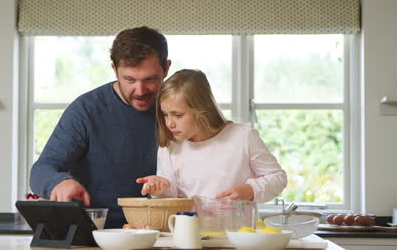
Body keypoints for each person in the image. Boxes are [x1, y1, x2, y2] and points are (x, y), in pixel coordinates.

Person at [30, 26, 172, 228]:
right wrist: (59, 182)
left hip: (159, 229)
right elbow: (41, 170)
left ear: (166, 68)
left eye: (150, 79)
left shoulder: (176, 109)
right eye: (129, 79)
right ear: (114, 69)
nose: (140, 91)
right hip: (94, 231)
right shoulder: (86, 110)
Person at [136, 69, 287, 203]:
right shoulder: (169, 147)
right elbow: (171, 201)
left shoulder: (243, 137)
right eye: (165, 115)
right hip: (189, 232)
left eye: (177, 115)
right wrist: (160, 190)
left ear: (201, 109)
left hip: (236, 233)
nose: (169, 123)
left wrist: (250, 190)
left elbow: (277, 177)